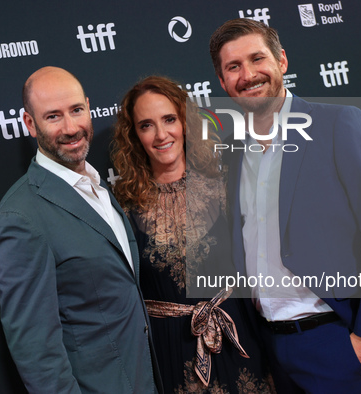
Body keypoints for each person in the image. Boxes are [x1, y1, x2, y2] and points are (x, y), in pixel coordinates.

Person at [208, 19, 361, 393]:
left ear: (282, 60)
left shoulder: (339, 124)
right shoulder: (232, 151)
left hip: (332, 339)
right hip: (267, 347)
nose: (248, 75)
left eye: (257, 59)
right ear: (222, 82)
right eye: (233, 67)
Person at [0, 66, 162, 394]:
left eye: (77, 110)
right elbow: (38, 354)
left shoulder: (95, 185)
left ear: (89, 107)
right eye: (53, 116)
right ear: (29, 124)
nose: (71, 127)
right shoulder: (19, 220)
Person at [111, 75, 275, 393]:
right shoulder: (121, 206)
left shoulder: (227, 182)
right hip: (172, 350)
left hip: (240, 336)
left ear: (185, 121)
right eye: (146, 125)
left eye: (169, 119)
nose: (161, 135)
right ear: (134, 135)